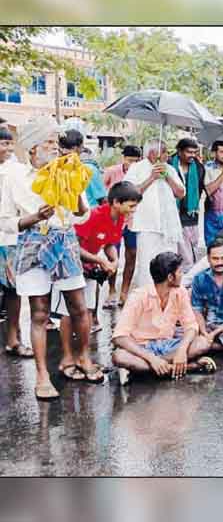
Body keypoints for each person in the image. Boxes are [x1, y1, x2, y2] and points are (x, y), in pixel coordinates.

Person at [0, 126, 97, 400]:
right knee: (40, 313)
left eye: (57, 142)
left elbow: (82, 214)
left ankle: (83, 358)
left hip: (64, 240)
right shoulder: (12, 177)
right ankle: (42, 375)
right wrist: (33, 218)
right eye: (49, 142)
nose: (57, 147)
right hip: (31, 242)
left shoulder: (68, 169)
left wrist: (76, 187)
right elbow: (5, 220)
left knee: (79, 306)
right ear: (32, 149)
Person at [52, 181, 142, 376]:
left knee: (87, 311)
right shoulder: (92, 216)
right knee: (68, 313)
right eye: (131, 205)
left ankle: (82, 357)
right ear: (116, 202)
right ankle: (67, 358)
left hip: (90, 269)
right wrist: (100, 260)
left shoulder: (120, 218)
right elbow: (73, 247)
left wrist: (114, 259)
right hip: (69, 265)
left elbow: (110, 242)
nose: (134, 210)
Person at [111, 251, 216, 384]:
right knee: (119, 356)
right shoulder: (138, 296)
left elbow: (191, 326)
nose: (182, 275)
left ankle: (148, 370)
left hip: (167, 346)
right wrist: (151, 358)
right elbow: (119, 337)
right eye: (180, 272)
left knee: (202, 343)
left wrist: (182, 351)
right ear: (170, 277)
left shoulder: (180, 292)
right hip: (142, 348)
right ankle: (182, 368)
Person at [124, 140, 185, 288]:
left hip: (169, 227)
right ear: (153, 154)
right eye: (164, 152)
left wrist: (167, 177)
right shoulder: (136, 168)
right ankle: (148, 299)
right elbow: (129, 193)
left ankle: (170, 297)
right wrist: (151, 178)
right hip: (147, 226)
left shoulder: (170, 169)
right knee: (147, 265)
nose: (167, 155)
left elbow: (181, 193)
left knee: (171, 264)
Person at [0, 126, 30, 358]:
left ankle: (13, 339)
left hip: (10, 237)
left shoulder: (18, 170)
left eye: (10, 144)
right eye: (3, 143)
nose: (8, 148)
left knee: (13, 290)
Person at [103, 145, 142, 306]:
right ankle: (111, 290)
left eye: (135, 161)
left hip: (133, 222)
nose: (132, 164)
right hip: (114, 221)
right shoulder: (112, 172)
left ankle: (124, 292)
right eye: (129, 160)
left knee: (132, 255)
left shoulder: (140, 172)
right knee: (114, 256)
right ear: (123, 158)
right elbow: (102, 193)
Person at [167, 138, 206, 271]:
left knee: (192, 247)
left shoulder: (199, 168)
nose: (192, 155)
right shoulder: (168, 165)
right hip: (172, 213)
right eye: (189, 152)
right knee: (182, 253)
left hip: (191, 215)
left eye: (195, 152)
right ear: (179, 151)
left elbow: (199, 191)